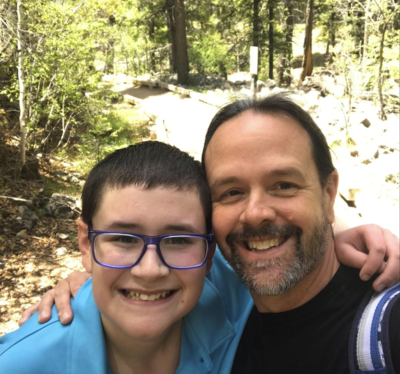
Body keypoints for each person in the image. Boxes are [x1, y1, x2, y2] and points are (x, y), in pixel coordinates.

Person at [15, 94, 400, 373]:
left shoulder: (386, 328)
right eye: (231, 192)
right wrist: (90, 282)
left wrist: (343, 231)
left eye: (284, 184)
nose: (256, 213)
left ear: (329, 193)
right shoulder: (217, 274)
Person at [0, 142, 250, 373]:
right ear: (87, 245)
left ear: (209, 253)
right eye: (124, 239)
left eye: (178, 240)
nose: (150, 270)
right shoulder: (19, 364)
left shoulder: (250, 289)